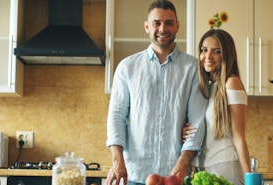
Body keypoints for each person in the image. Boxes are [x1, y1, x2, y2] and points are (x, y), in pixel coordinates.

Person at [106, 0, 209, 185]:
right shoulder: (127, 67)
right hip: (133, 174)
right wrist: (117, 161)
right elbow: (116, 116)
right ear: (147, 26)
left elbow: (197, 120)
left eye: (169, 23)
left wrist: (183, 163)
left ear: (177, 26)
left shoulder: (193, 68)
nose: (163, 28)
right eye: (157, 23)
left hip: (174, 176)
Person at [182, 29, 251, 185]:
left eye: (217, 51)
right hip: (202, 168)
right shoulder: (207, 87)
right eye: (204, 50)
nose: (208, 57)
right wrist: (189, 130)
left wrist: (250, 178)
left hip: (225, 166)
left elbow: (239, 137)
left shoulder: (231, 83)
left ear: (226, 55)